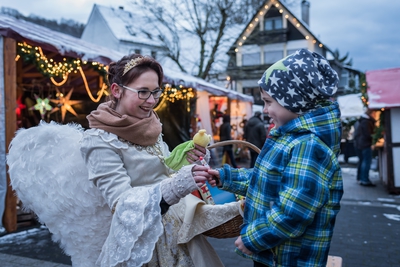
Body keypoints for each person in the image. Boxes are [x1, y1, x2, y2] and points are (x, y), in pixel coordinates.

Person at [7, 54, 241, 267]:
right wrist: (177, 185)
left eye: (156, 91)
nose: (151, 101)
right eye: (143, 92)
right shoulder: (98, 141)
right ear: (117, 90)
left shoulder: (149, 124)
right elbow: (120, 202)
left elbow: (162, 168)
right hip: (143, 243)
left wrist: (185, 163)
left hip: (177, 230)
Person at [207, 49, 343, 267]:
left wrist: (254, 239)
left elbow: (294, 212)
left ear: (295, 100)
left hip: (289, 259)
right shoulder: (290, 137)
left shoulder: (308, 146)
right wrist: (227, 177)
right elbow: (267, 180)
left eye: (269, 101)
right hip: (274, 252)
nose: (266, 109)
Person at [353, 109, 376, 186]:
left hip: (359, 144)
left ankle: (360, 178)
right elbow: (368, 134)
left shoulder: (361, 121)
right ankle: (364, 179)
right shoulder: (366, 121)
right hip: (365, 144)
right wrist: (374, 137)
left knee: (362, 161)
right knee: (366, 162)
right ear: (371, 113)